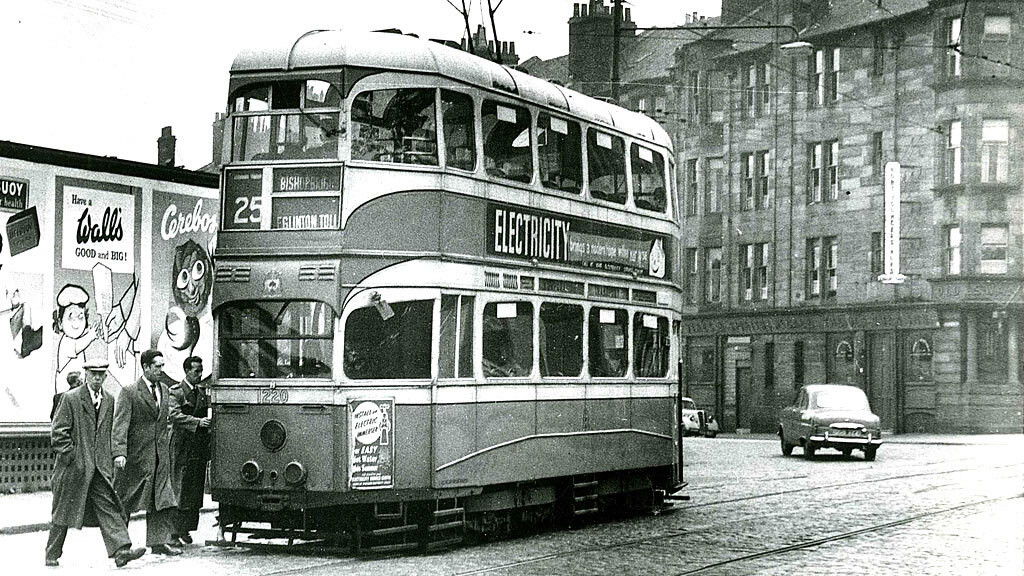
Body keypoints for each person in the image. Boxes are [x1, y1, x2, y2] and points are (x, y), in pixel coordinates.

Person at [46, 360, 146, 568]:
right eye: (94, 374)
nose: (98, 378)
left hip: (99, 468)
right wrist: (71, 456)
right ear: (86, 374)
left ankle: (121, 551)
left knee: (109, 506)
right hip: (73, 469)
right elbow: (58, 433)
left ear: (106, 376)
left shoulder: (109, 400)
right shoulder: (71, 398)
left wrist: (110, 457)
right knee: (63, 512)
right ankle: (52, 553)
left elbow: (109, 431)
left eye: (101, 374)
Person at [112, 349, 181, 556]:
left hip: (160, 458)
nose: (161, 370)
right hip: (135, 458)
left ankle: (158, 542)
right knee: (126, 500)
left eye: (162, 365)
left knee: (159, 500)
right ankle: (120, 545)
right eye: (157, 366)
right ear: (146, 367)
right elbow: (120, 425)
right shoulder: (129, 391)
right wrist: (119, 453)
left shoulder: (165, 390)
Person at [168, 356, 211, 546]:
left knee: (194, 490)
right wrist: (198, 422)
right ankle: (173, 533)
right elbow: (174, 414)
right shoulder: (176, 392)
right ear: (186, 371)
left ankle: (186, 528)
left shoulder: (202, 392)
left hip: (198, 447)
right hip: (181, 446)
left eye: (201, 371)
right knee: (180, 488)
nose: (200, 375)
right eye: (196, 371)